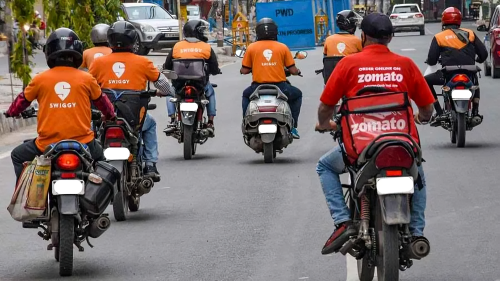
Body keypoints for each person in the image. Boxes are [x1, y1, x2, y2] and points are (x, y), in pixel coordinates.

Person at [314, 13, 435, 255]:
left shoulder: (347, 64)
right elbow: (427, 108)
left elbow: (326, 105)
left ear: (362, 37)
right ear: (390, 37)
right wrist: (422, 118)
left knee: (324, 167)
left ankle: (342, 222)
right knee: (417, 175)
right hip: (401, 144)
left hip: (360, 147)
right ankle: (416, 232)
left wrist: (324, 123)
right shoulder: (406, 65)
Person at [5, 28, 116, 182]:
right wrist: (111, 116)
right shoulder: (87, 79)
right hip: (84, 142)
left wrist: (11, 112)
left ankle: (27, 197)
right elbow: (103, 102)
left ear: (49, 52)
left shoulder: (40, 79)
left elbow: (21, 101)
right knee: (103, 163)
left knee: (17, 155)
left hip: (46, 145)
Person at [89, 21, 174, 182]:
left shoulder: (99, 63)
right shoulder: (143, 62)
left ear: (110, 40)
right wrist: (167, 92)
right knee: (151, 124)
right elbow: (163, 84)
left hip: (105, 118)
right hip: (133, 118)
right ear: (134, 40)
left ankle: (92, 162)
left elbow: (87, 85)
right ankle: (150, 164)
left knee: (92, 130)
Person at [240, 18, 303, 139]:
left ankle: (246, 123)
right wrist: (297, 72)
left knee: (245, 95)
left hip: (257, 87)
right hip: (281, 86)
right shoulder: (282, 47)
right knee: (297, 95)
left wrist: (242, 70)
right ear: (275, 31)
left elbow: (245, 69)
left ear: (258, 32)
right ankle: (293, 125)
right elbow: (292, 70)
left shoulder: (251, 48)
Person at [425, 7, 487, 127]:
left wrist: (434, 61)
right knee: (475, 83)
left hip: (447, 74)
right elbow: (483, 54)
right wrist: (478, 60)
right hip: (468, 73)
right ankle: (475, 112)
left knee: (426, 81)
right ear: (459, 20)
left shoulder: (439, 37)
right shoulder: (470, 34)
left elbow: (432, 60)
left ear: (443, 21)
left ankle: (439, 112)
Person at [163, 19, 220, 136]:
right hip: (200, 85)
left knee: (169, 93)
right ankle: (210, 122)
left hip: (179, 84)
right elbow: (214, 67)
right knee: (211, 93)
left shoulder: (177, 46)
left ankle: (173, 120)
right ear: (198, 32)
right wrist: (215, 71)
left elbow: (167, 66)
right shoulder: (206, 47)